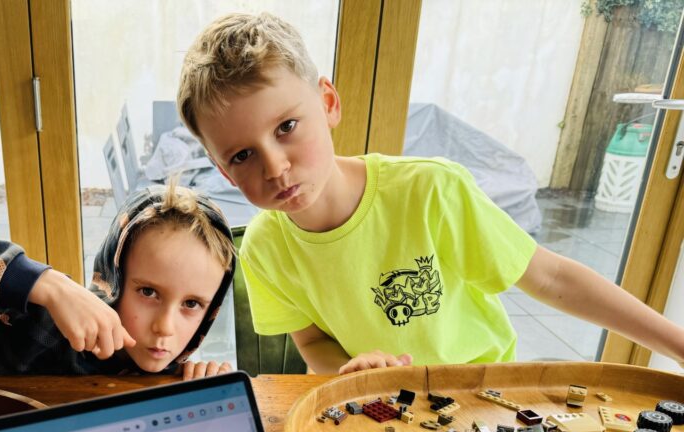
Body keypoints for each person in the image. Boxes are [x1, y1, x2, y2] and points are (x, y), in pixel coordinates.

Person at [176, 12, 684, 374]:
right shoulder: (264, 245)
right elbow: (311, 341)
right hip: (381, 405)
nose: (276, 166)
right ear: (223, 171)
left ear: (327, 102)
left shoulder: (431, 190)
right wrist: (351, 369)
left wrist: (675, 343)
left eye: (287, 125)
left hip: (480, 391)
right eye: (242, 156)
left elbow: (550, 276)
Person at [0, 183, 235, 379]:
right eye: (148, 292)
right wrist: (48, 286)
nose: (165, 328)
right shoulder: (28, 318)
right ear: (113, 278)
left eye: (191, 304)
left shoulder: (172, 375)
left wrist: (202, 389)